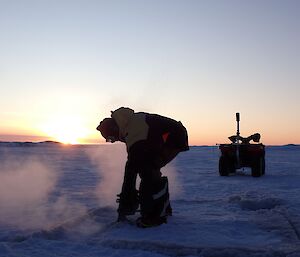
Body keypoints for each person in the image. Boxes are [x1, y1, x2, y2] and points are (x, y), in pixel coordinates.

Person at [96, 107, 189, 228]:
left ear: (114, 128)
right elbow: (131, 164)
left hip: (173, 138)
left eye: (111, 138)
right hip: (168, 137)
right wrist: (128, 196)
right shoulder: (130, 125)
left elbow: (132, 166)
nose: (113, 141)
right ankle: (162, 206)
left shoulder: (135, 132)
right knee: (147, 168)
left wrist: (127, 199)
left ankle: (154, 216)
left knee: (148, 172)